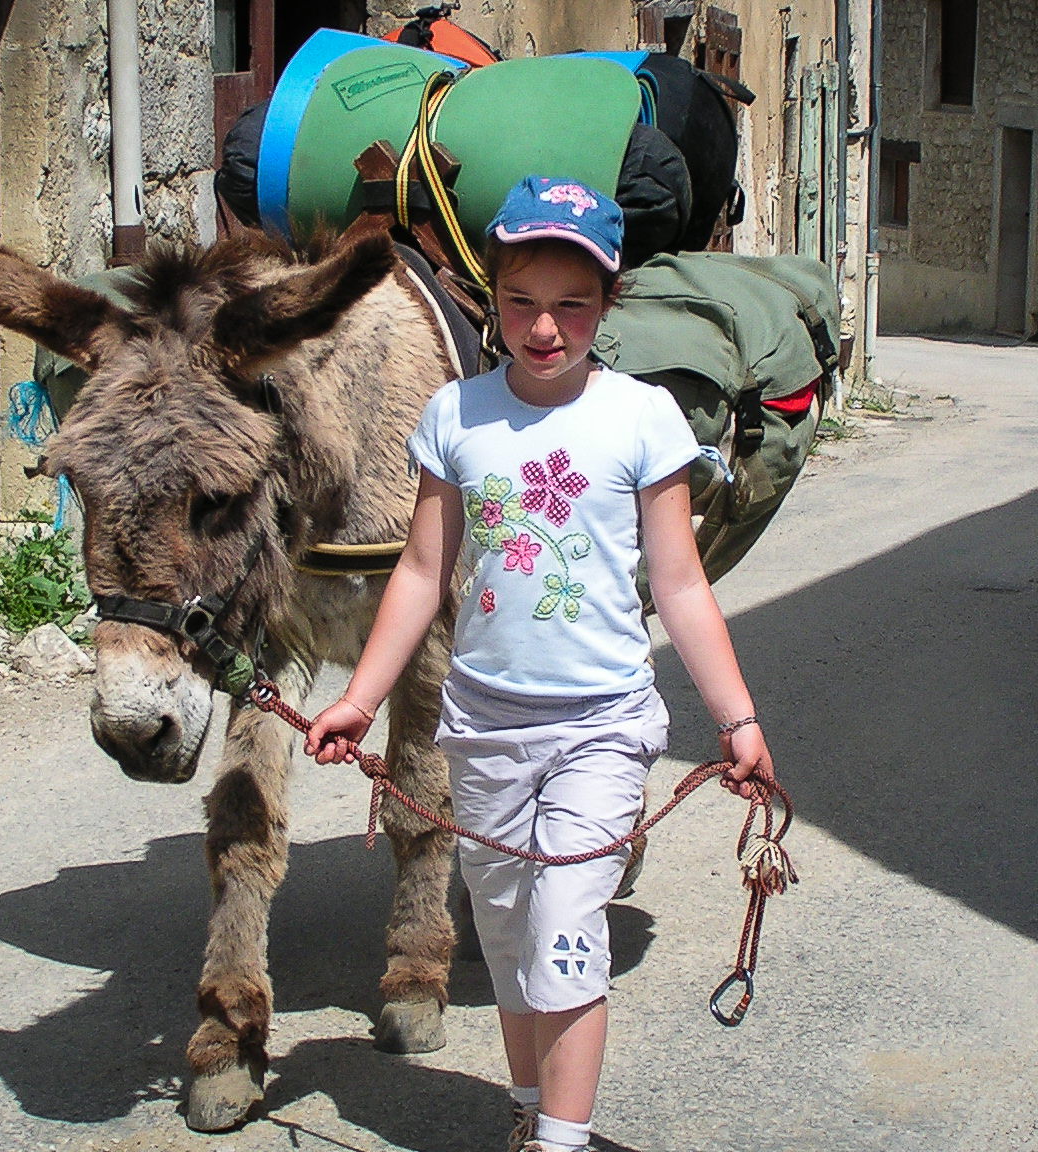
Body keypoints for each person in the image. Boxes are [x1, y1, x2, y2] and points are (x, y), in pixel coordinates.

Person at [303, 175, 775, 1152]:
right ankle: (529, 1116)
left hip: (598, 726)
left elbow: (680, 587)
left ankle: (562, 1144)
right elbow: (422, 571)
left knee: (564, 935)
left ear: (607, 302)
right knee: (512, 939)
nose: (544, 327)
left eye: (570, 304)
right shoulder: (454, 417)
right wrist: (359, 698)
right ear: (491, 296)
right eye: (520, 301)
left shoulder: (641, 420)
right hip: (481, 727)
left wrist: (736, 720)